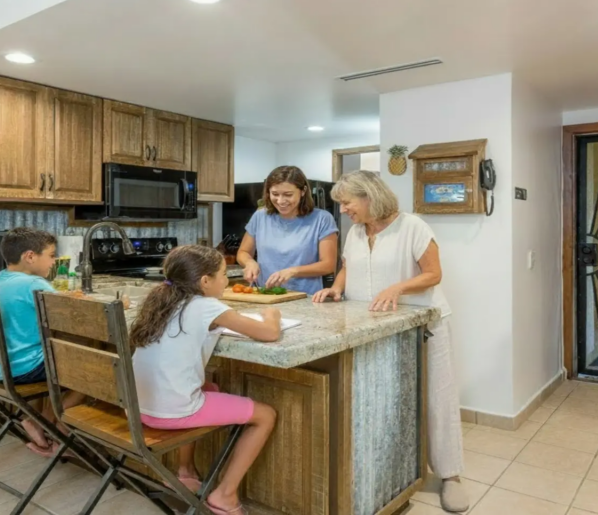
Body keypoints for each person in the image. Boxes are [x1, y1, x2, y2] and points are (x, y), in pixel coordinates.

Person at [312, 170, 468, 513]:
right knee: (386, 400)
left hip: (424, 322)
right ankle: (395, 473)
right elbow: (347, 267)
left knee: (436, 397)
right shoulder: (355, 232)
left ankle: (450, 476)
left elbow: (433, 274)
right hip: (373, 327)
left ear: (369, 196)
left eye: (348, 202)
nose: (344, 210)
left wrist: (398, 287)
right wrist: (336, 287)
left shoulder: (412, 226)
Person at [131, 245, 280, 515]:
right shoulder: (206, 306)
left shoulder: (161, 300)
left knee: (208, 387)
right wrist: (273, 315)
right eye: (224, 274)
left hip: (138, 407)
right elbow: (268, 333)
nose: (227, 280)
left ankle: (185, 471)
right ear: (205, 281)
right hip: (171, 412)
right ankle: (225, 494)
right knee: (266, 415)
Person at [0, 227, 86, 457]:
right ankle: (59, 435)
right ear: (30, 257)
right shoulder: (34, 285)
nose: (54, 261)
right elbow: (72, 316)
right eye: (51, 255)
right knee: (88, 374)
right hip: (21, 368)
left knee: (63, 364)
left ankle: (39, 422)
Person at [237, 166, 338, 295]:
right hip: (265, 295)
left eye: (288, 195)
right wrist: (249, 262)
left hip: (305, 298)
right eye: (275, 194)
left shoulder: (322, 219)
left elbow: (328, 265)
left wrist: (292, 271)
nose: (280, 201)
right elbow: (243, 252)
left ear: (303, 191)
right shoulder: (260, 216)